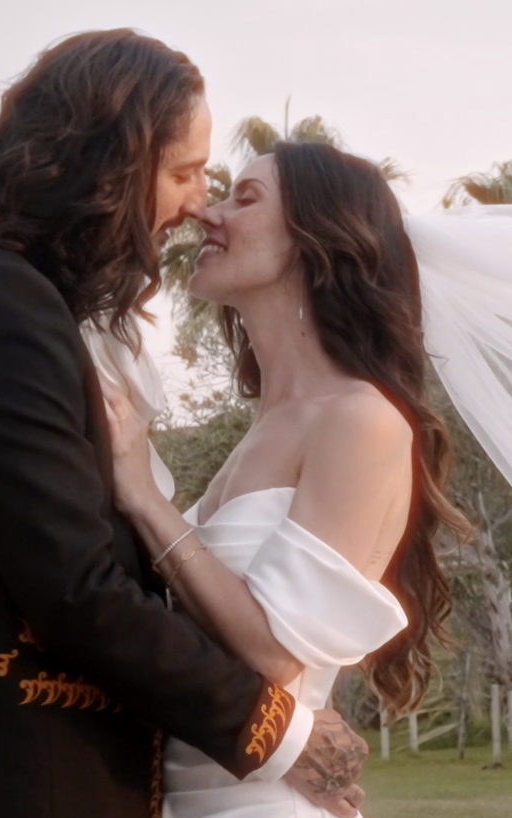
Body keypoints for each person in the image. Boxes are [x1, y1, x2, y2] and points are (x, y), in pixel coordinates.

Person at [0, 30, 367, 818]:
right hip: (23, 789)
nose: (194, 203)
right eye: (182, 173)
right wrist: (278, 732)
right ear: (107, 164)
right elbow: (76, 591)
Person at [101, 142, 478, 818]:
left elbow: (276, 654)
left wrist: (143, 499)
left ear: (315, 242)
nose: (208, 215)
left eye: (244, 198)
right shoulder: (264, 428)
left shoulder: (363, 420)